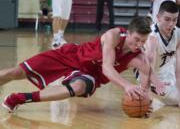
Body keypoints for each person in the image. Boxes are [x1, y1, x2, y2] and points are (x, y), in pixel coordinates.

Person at [1, 17, 165, 113]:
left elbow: (145, 81)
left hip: (90, 74)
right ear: (128, 33)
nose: (138, 44)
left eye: (142, 41)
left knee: (78, 87)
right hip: (70, 56)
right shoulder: (114, 35)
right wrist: (127, 85)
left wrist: (144, 101)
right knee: (17, 72)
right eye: (136, 39)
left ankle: (20, 98)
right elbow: (108, 68)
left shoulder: (139, 58)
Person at [136, 0, 180, 107]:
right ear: (158, 17)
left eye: (174, 20)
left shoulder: (178, 33)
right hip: (154, 77)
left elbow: (178, 69)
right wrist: (144, 95)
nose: (171, 24)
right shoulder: (151, 38)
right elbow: (146, 70)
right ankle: (152, 95)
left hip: (169, 70)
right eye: (167, 19)